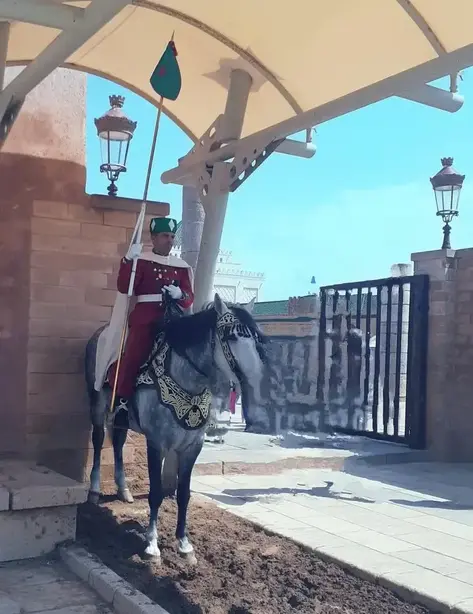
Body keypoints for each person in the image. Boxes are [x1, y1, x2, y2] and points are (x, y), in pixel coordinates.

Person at [109, 217, 194, 413]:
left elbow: (189, 298)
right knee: (134, 354)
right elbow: (125, 287)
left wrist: (180, 294)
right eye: (165, 236)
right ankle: (122, 401)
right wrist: (128, 261)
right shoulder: (142, 261)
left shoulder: (180, 266)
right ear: (154, 238)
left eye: (172, 236)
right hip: (146, 318)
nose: (170, 240)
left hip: (173, 319)